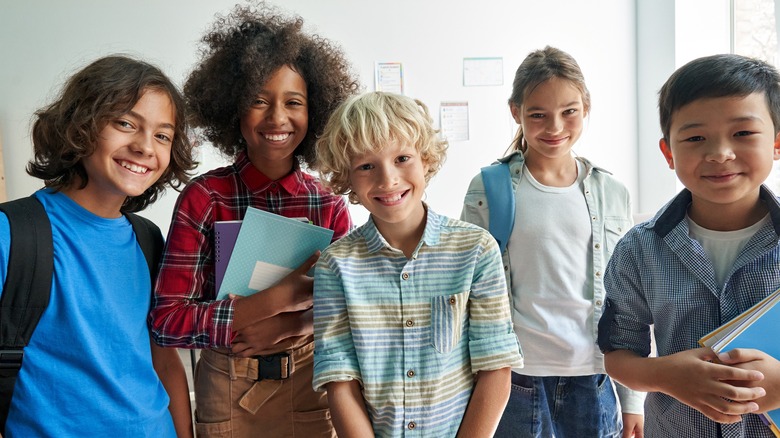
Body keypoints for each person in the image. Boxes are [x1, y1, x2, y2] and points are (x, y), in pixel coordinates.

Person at [148, 3, 359, 436]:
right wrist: (271, 304)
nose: (277, 118)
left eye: (293, 102)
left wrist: (294, 324)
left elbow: (350, 314)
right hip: (226, 388)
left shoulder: (330, 204)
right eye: (258, 101)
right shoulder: (205, 199)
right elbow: (167, 322)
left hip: (311, 385)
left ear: (314, 112)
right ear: (233, 112)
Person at [0, 55, 196, 437]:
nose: (144, 147)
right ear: (81, 125)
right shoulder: (12, 234)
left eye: (162, 135)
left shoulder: (148, 238)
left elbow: (163, 359)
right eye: (125, 123)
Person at [311, 91, 523, 437]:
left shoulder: (476, 251)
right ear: (346, 176)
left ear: (426, 160)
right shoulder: (336, 266)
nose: (387, 180)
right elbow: (340, 382)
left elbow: (495, 369)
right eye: (366, 166)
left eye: (402, 158)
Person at [461, 46, 645, 438]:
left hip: (594, 375)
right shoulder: (487, 188)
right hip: (515, 377)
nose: (555, 127)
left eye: (569, 112)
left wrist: (632, 399)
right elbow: (469, 293)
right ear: (516, 112)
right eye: (538, 115)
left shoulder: (612, 191)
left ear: (586, 106)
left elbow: (629, 299)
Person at [599, 53, 780, 437]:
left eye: (743, 133)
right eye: (695, 137)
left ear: (777, 142)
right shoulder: (639, 250)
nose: (719, 153)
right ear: (668, 153)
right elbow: (617, 353)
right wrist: (665, 375)